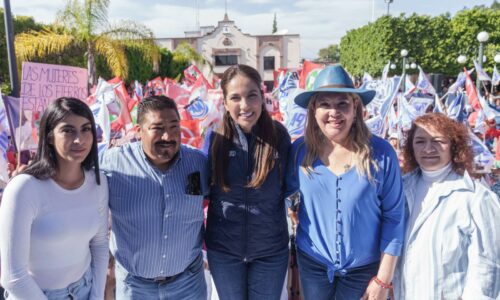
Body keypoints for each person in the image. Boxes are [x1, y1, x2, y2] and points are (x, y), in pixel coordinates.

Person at [287, 65, 405, 300]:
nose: (334, 112)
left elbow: (394, 217)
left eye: (342, 104)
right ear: (313, 109)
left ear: (355, 108)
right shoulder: (298, 151)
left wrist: (384, 279)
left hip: (364, 272)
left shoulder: (381, 153)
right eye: (325, 104)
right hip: (313, 267)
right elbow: (280, 195)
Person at [100, 95, 209, 299]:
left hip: (188, 285)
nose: (168, 136)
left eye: (174, 126)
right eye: (157, 128)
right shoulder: (111, 164)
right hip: (135, 288)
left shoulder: (198, 163)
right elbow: (71, 178)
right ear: (139, 131)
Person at [0, 97, 109, 299]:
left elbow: (100, 244)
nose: (80, 139)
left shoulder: (98, 182)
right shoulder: (24, 189)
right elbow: (13, 277)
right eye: (68, 130)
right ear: (49, 136)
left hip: (85, 290)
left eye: (86, 129)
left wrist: (96, 296)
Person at [204, 64, 291, 300]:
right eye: (235, 97)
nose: (244, 106)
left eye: (251, 95)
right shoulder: (213, 138)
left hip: (270, 252)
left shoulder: (280, 136)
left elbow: (292, 188)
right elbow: (198, 190)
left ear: (262, 97)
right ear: (224, 101)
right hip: (224, 253)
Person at [394, 113, 500, 299]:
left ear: (454, 145)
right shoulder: (399, 190)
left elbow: (487, 265)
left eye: (438, 141)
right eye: (420, 141)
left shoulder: (476, 198)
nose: (428, 148)